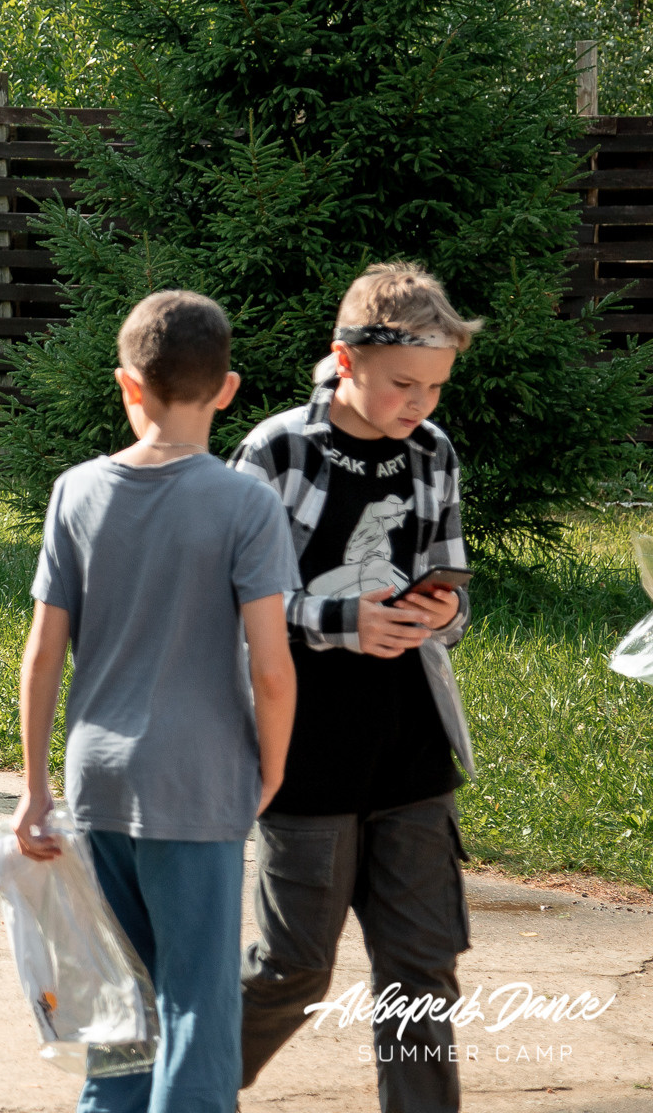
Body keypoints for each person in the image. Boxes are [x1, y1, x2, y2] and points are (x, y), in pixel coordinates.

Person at [10, 290, 298, 1113]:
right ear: (229, 388)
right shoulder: (247, 503)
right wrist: (271, 766)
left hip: (98, 781)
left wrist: (35, 787)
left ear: (126, 386)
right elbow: (273, 669)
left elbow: (43, 653)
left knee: (120, 1014)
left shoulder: (76, 492)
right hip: (200, 782)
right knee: (199, 1010)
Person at [234, 264, 481, 1112]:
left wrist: (440, 612)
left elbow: (451, 596)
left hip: (411, 750)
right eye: (403, 384)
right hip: (304, 750)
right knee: (293, 965)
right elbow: (226, 603)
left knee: (421, 971)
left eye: (436, 388)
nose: (421, 405)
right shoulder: (276, 452)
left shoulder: (432, 453)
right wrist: (342, 622)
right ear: (345, 358)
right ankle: (175, 1088)